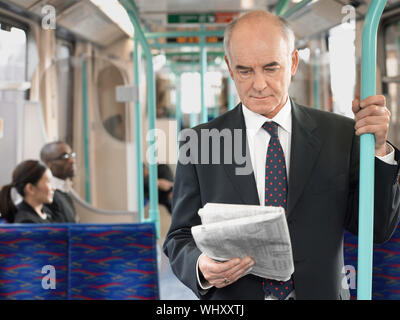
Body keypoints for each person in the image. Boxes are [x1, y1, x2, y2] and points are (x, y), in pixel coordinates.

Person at [163, 11, 400, 300]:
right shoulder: (200, 143)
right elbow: (178, 238)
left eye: (271, 67)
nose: (259, 84)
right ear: (229, 66)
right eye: (245, 71)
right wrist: (200, 266)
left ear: (293, 62)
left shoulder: (340, 135)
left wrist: (378, 151)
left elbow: (376, 229)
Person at [40, 141, 77, 223]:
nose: (72, 160)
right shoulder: (47, 196)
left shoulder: (63, 192)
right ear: (48, 163)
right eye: (65, 156)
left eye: (72, 155)